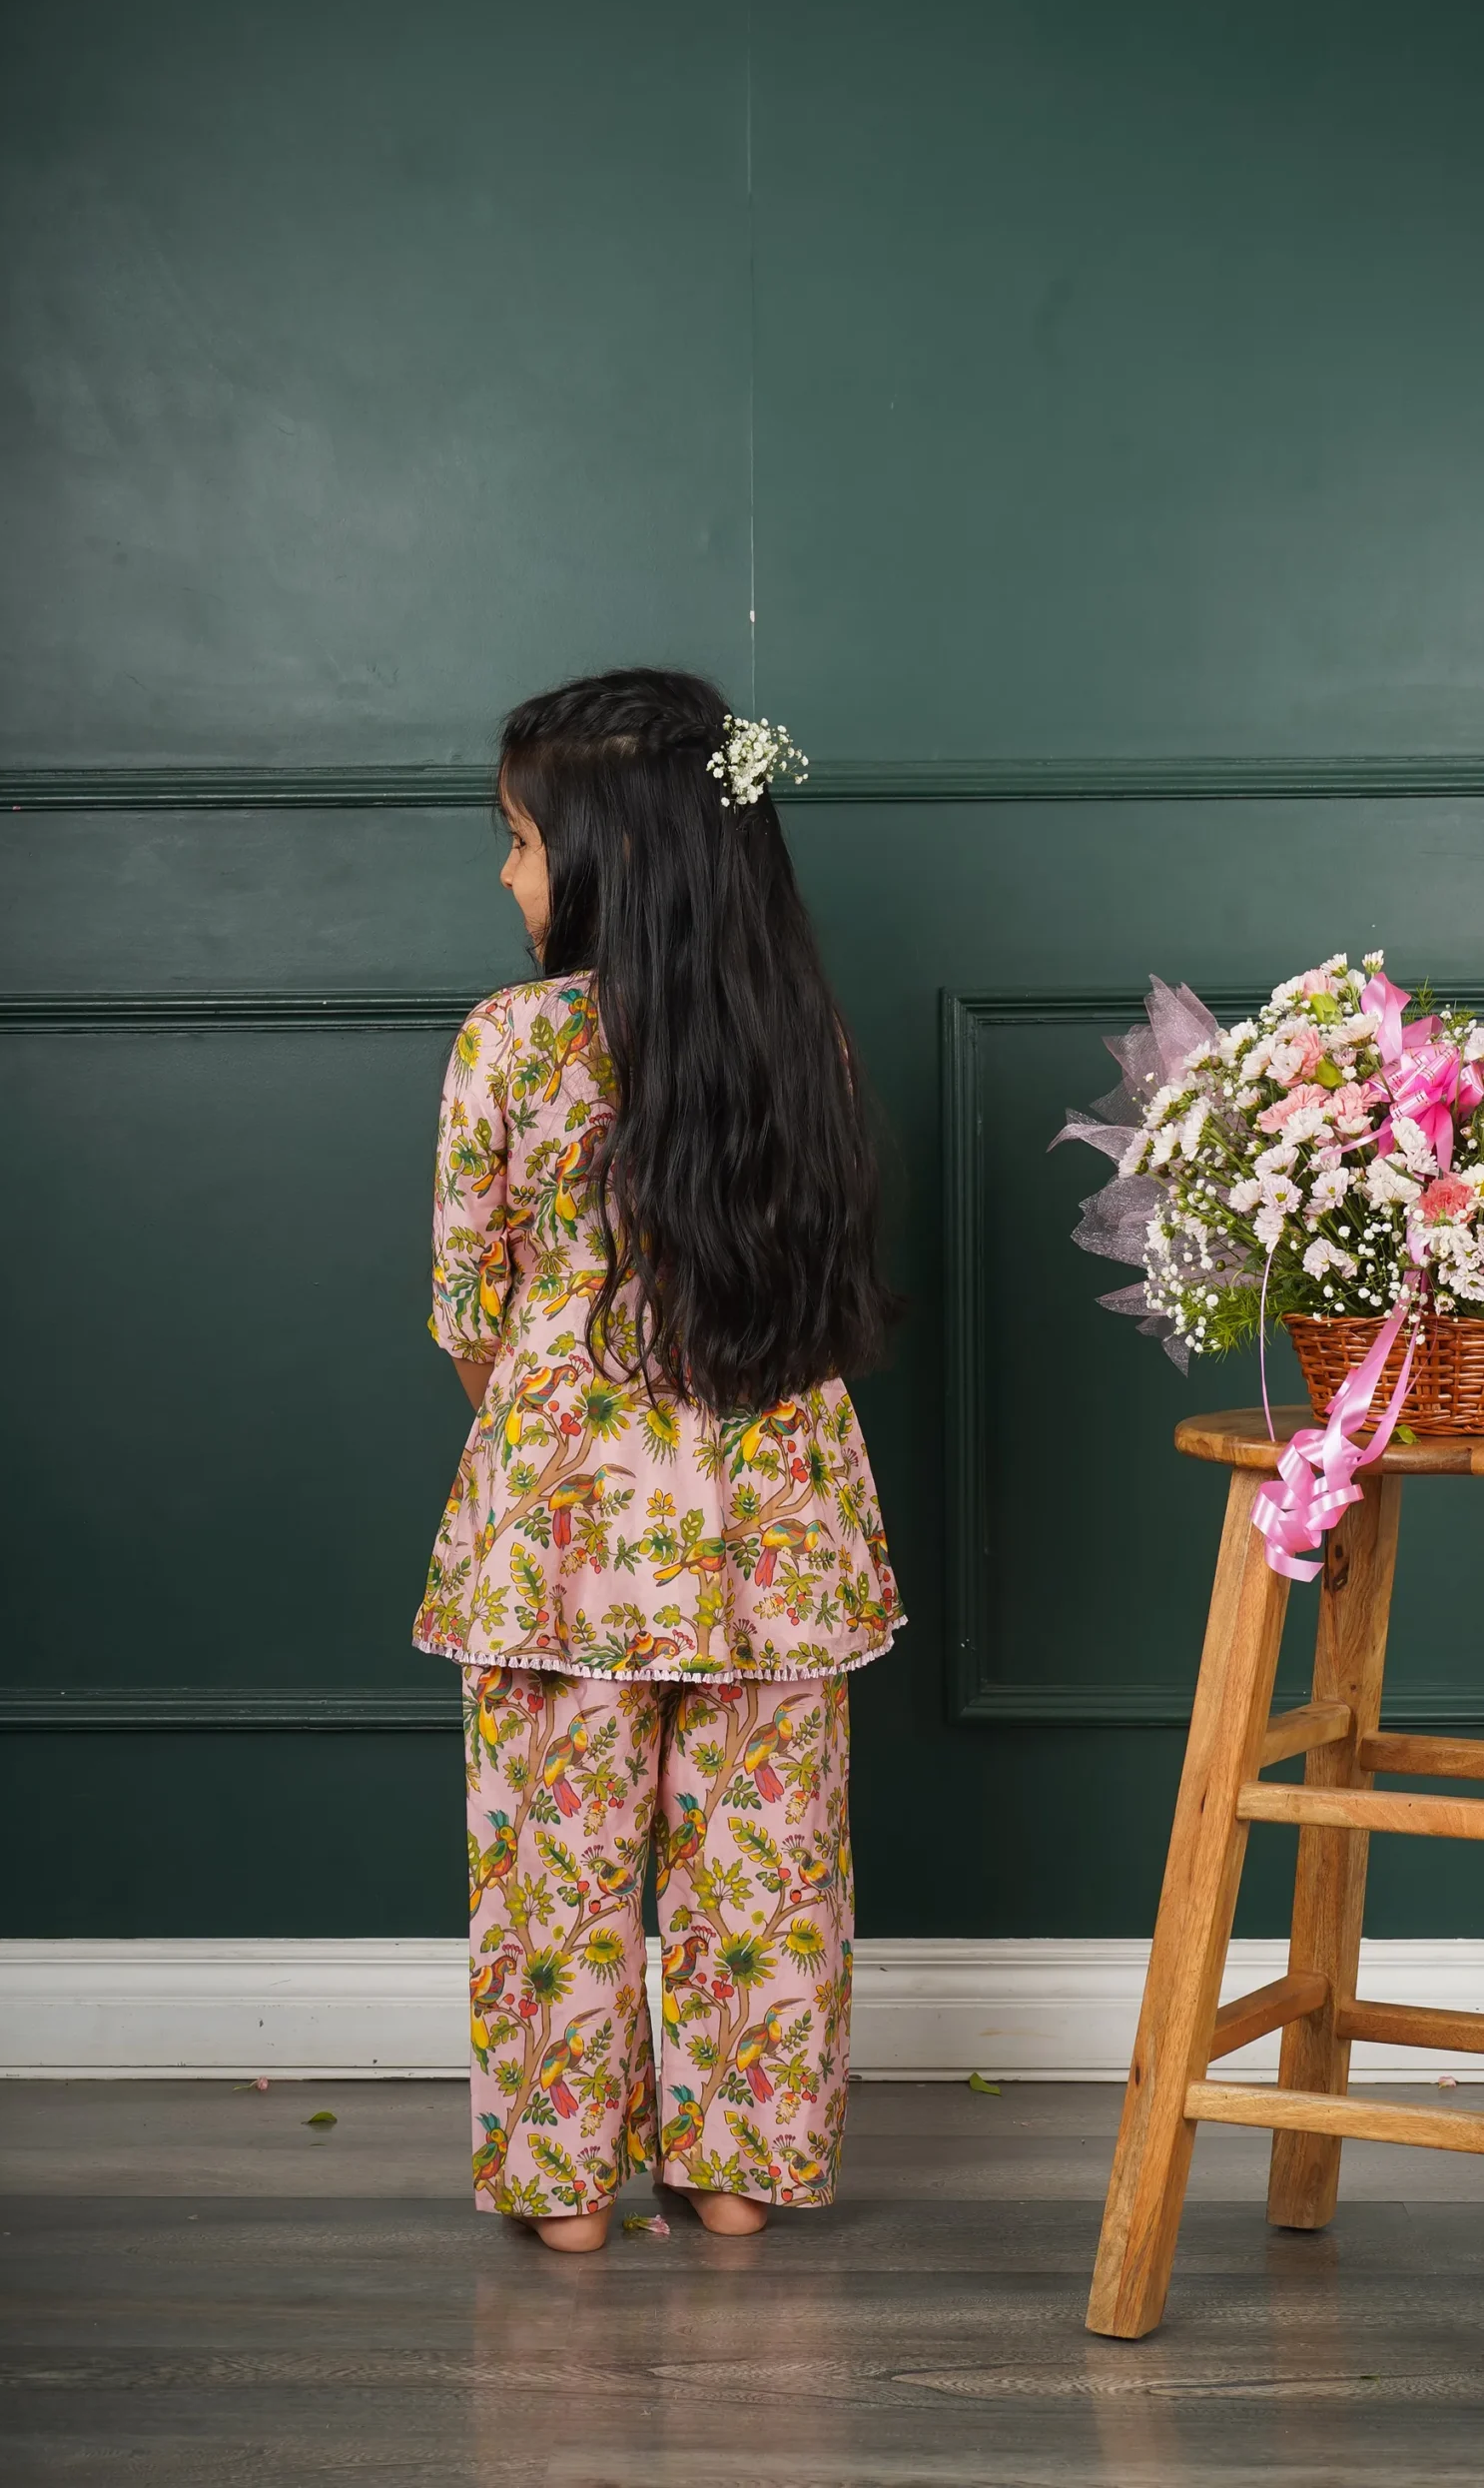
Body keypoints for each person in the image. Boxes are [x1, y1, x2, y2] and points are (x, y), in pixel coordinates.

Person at [413, 667, 903, 2251]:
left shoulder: (509, 1043)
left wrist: (556, 1408)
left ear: (609, 855)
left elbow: (468, 1318)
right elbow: (818, 1288)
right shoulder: (804, 1045)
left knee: (552, 1867)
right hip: (778, 1526)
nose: (506, 871)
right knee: (763, 1865)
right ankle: (737, 2171)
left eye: (518, 839)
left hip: (564, 1533)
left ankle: (563, 2190)